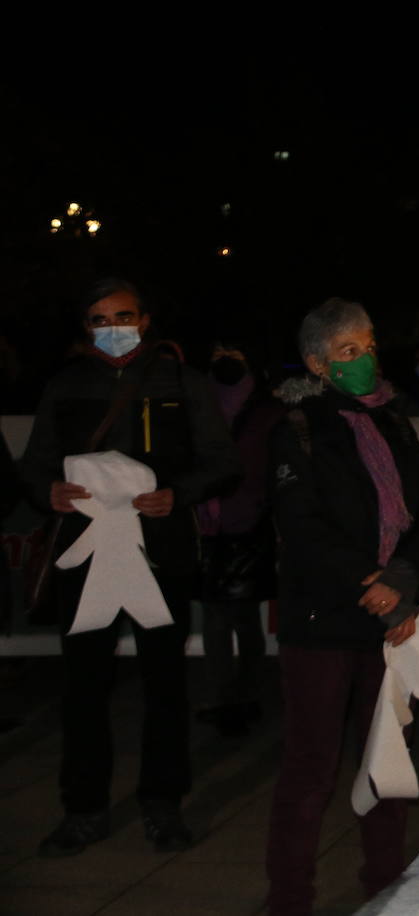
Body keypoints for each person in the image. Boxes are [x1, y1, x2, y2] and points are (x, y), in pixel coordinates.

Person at [21, 278, 240, 856]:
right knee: (82, 688)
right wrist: (49, 490)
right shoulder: (66, 385)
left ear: (144, 320)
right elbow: (35, 464)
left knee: (165, 684)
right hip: (85, 556)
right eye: (99, 319)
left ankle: (162, 805)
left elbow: (223, 462)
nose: (112, 328)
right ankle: (83, 810)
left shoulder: (182, 382)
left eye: (122, 316)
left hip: (160, 554)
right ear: (85, 326)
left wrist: (179, 493)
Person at [265, 298, 419, 914]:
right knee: (310, 769)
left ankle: (386, 889)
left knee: (388, 762)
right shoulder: (297, 428)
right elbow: (301, 524)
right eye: (349, 351)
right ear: (318, 364)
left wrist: (402, 578)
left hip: (391, 620)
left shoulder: (393, 421)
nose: (365, 359)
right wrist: (369, 580)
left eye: (368, 346)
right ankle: (290, 898)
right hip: (323, 621)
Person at [195, 338, 283, 737]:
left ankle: (248, 694)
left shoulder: (267, 411)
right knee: (214, 618)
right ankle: (218, 697)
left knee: (246, 618)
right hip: (206, 527)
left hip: (250, 525)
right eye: (217, 355)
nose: (225, 361)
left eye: (233, 354)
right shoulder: (198, 405)